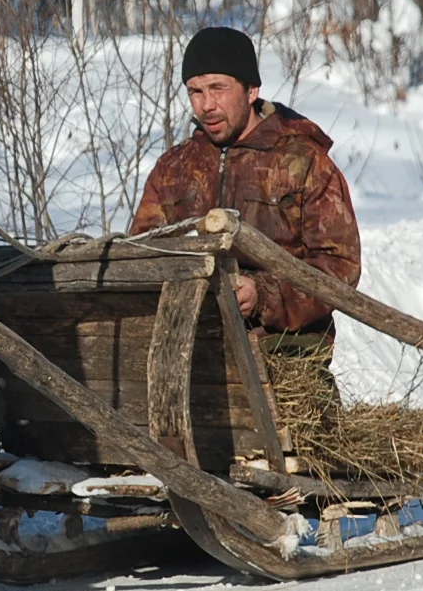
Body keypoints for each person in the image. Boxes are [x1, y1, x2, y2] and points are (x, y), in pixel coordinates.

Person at [130, 26, 361, 364]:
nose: (206, 105)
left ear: (251, 90)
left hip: (286, 354)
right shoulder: (173, 169)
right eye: (195, 91)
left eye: (218, 89)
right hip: (191, 352)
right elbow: (141, 255)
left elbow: (340, 267)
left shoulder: (305, 163)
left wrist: (264, 295)